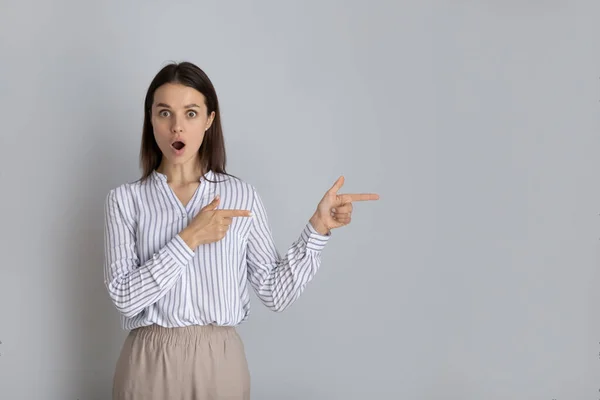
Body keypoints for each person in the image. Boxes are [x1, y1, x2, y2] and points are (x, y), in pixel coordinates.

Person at [103, 61, 380, 399]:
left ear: (209, 119)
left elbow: (275, 293)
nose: (177, 127)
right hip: (148, 362)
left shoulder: (240, 196)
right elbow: (125, 298)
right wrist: (190, 237)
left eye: (190, 113)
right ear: (151, 119)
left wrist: (318, 228)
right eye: (165, 113)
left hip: (220, 361)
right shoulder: (125, 200)